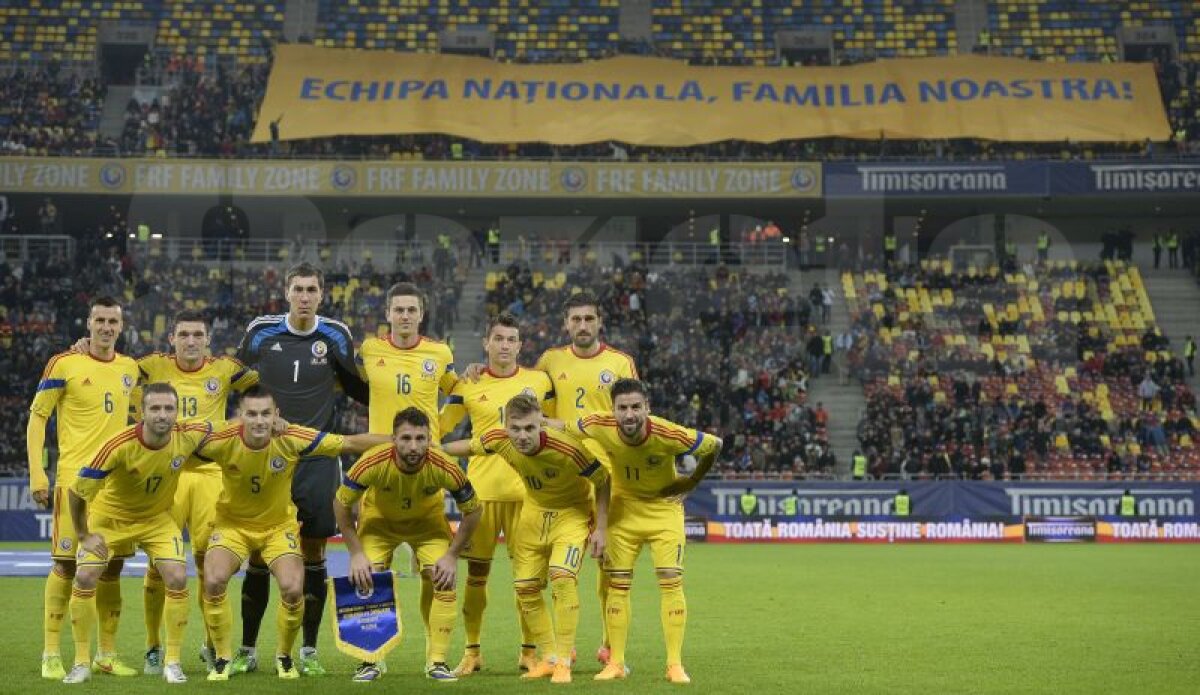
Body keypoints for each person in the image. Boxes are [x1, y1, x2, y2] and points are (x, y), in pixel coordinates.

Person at [195, 386, 387, 681]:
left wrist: (395, 441)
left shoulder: (291, 437)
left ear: (276, 416)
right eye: (252, 414)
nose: (259, 421)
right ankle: (222, 658)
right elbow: (178, 441)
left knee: (293, 588)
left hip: (277, 528)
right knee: (214, 580)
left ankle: (284, 656)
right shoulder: (223, 440)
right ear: (240, 416)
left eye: (265, 414)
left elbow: (348, 442)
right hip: (232, 526)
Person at [234, 263, 370, 676]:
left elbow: (361, 390)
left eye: (312, 289)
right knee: (259, 552)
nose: (305, 296)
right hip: (267, 458)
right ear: (287, 292)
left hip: (317, 459)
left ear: (322, 294)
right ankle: (247, 649)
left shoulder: (336, 334)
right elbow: (229, 378)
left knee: (313, 552)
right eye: (299, 289)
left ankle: (308, 650)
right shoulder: (261, 330)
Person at [445, 393, 608, 683]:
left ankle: (564, 660)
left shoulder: (568, 448)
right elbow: (468, 447)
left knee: (561, 577)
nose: (522, 436)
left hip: (571, 515)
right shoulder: (498, 439)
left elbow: (603, 479)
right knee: (525, 588)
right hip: (533, 516)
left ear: (541, 425)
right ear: (506, 426)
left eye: (530, 428)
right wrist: (431, 448)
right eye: (516, 428)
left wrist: (602, 527)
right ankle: (548, 657)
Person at [572, 379, 722, 684]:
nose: (629, 415)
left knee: (670, 581)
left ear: (647, 408)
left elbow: (715, 444)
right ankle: (616, 663)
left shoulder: (668, 433)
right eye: (623, 408)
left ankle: (674, 664)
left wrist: (692, 481)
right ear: (612, 410)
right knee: (618, 585)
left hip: (663, 510)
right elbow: (561, 425)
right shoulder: (597, 425)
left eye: (636, 407)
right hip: (623, 510)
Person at [133, 311, 258, 673]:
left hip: (210, 476)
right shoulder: (152, 365)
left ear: (208, 340)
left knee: (210, 565)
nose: (190, 340)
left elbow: (264, 385)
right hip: (165, 477)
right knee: (158, 566)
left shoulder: (225, 369)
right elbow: (114, 368)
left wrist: (242, 423)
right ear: (171, 338)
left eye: (197, 334)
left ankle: (210, 644)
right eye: (184, 334)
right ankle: (153, 647)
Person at [63, 384, 211, 684]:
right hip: (110, 519)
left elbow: (226, 429)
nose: (163, 415)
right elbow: (77, 492)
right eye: (155, 408)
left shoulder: (187, 435)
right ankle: (81, 662)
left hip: (156, 520)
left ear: (176, 412)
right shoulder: (118, 445)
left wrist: (268, 425)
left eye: (169, 409)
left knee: (178, 577)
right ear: (141, 412)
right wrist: (83, 534)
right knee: (85, 577)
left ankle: (172, 662)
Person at [28, 296, 141, 680]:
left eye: (113, 321)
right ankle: (50, 652)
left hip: (117, 486)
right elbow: (37, 418)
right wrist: (37, 473)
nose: (106, 327)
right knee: (66, 564)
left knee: (112, 566)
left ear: (121, 327)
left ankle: (106, 655)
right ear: (88, 323)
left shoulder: (130, 368)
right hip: (74, 481)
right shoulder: (64, 363)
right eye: (100, 320)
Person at [334, 408, 484, 683]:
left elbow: (474, 510)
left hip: (427, 526)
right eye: (405, 438)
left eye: (420, 438)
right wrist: (355, 552)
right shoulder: (371, 462)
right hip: (379, 525)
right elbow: (341, 504)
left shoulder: (444, 465)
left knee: (443, 579)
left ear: (429, 439)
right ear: (393, 439)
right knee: (367, 578)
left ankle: (436, 661)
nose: (413, 446)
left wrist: (452, 555)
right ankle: (371, 660)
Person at [440, 313, 551, 676]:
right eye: (498, 338)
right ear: (486, 343)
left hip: (529, 496)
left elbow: (554, 428)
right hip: (481, 496)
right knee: (476, 577)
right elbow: (440, 426)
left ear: (520, 345)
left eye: (511, 339)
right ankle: (472, 652)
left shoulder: (539, 382)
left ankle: (530, 652)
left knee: (530, 579)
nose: (505, 345)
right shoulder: (467, 383)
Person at [531, 291, 639, 667]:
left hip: (610, 475)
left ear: (599, 322)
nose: (581, 325)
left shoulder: (621, 362)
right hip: (565, 477)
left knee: (611, 566)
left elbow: (635, 418)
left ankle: (611, 647)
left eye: (588, 319)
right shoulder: (549, 360)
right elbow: (533, 413)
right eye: (575, 319)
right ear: (565, 323)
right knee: (559, 569)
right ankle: (564, 647)